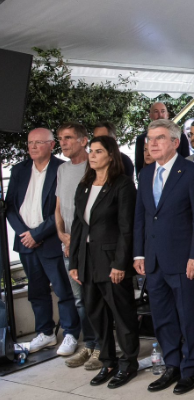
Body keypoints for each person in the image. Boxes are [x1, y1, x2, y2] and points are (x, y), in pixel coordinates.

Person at [134, 119, 194, 394]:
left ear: (176, 142)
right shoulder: (144, 174)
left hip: (183, 259)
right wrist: (139, 253)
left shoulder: (191, 173)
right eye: (149, 139)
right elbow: (141, 217)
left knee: (188, 316)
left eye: (159, 138)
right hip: (153, 261)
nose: (152, 143)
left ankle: (190, 369)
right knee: (163, 318)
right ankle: (172, 365)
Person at [67, 136, 140, 388]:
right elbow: (78, 224)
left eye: (98, 151)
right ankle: (108, 361)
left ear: (111, 155)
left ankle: (129, 363)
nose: (92, 155)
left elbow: (126, 228)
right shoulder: (85, 183)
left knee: (122, 314)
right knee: (96, 314)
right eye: (91, 151)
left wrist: (120, 263)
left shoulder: (122, 184)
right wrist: (74, 261)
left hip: (111, 261)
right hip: (87, 260)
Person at [8, 128, 81, 355]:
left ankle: (70, 332)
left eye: (38, 143)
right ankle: (45, 333)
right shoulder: (19, 170)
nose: (32, 147)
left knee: (62, 288)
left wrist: (37, 234)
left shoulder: (61, 168)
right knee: (36, 290)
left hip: (49, 240)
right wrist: (25, 234)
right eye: (30, 143)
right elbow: (10, 207)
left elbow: (63, 209)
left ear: (51, 145)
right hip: (25, 242)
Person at [54, 123, 100, 369]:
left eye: (69, 138)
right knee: (79, 298)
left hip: (91, 244)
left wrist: (79, 239)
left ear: (84, 141)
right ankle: (89, 344)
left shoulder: (94, 166)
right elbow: (59, 207)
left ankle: (102, 347)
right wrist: (62, 235)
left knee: (96, 297)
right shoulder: (61, 170)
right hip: (69, 244)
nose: (63, 142)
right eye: (61, 138)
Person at [135, 102, 191, 174]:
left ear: (167, 115)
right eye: (156, 112)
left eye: (163, 111)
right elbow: (139, 166)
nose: (160, 115)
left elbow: (186, 161)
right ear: (150, 115)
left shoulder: (180, 137)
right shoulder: (141, 139)